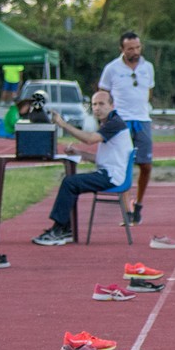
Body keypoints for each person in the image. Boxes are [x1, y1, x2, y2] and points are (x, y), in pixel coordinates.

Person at [32, 88, 132, 246]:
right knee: (71, 183)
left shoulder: (115, 123)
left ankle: (59, 230)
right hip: (109, 173)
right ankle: (65, 229)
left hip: (111, 177)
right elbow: (102, 158)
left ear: (112, 106)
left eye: (101, 104)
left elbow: (90, 139)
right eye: (94, 104)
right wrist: (80, 153)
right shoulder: (109, 123)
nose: (97, 108)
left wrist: (63, 124)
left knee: (70, 183)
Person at [99, 30, 154, 223]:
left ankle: (139, 203)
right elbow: (103, 94)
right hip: (121, 121)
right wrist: (105, 118)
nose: (135, 52)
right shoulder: (111, 69)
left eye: (138, 47)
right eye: (130, 49)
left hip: (142, 119)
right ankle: (127, 209)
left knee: (146, 165)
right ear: (122, 49)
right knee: (123, 165)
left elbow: (149, 91)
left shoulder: (148, 67)